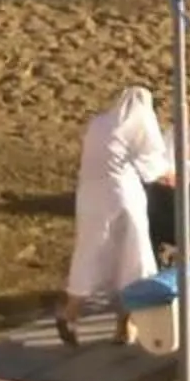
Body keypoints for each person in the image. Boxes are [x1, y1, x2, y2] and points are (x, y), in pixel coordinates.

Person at [56, 85, 169, 346]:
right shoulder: (139, 123)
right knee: (132, 259)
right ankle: (124, 325)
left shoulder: (99, 124)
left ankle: (70, 312)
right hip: (122, 197)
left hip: (89, 197)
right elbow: (151, 166)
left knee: (88, 253)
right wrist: (168, 174)